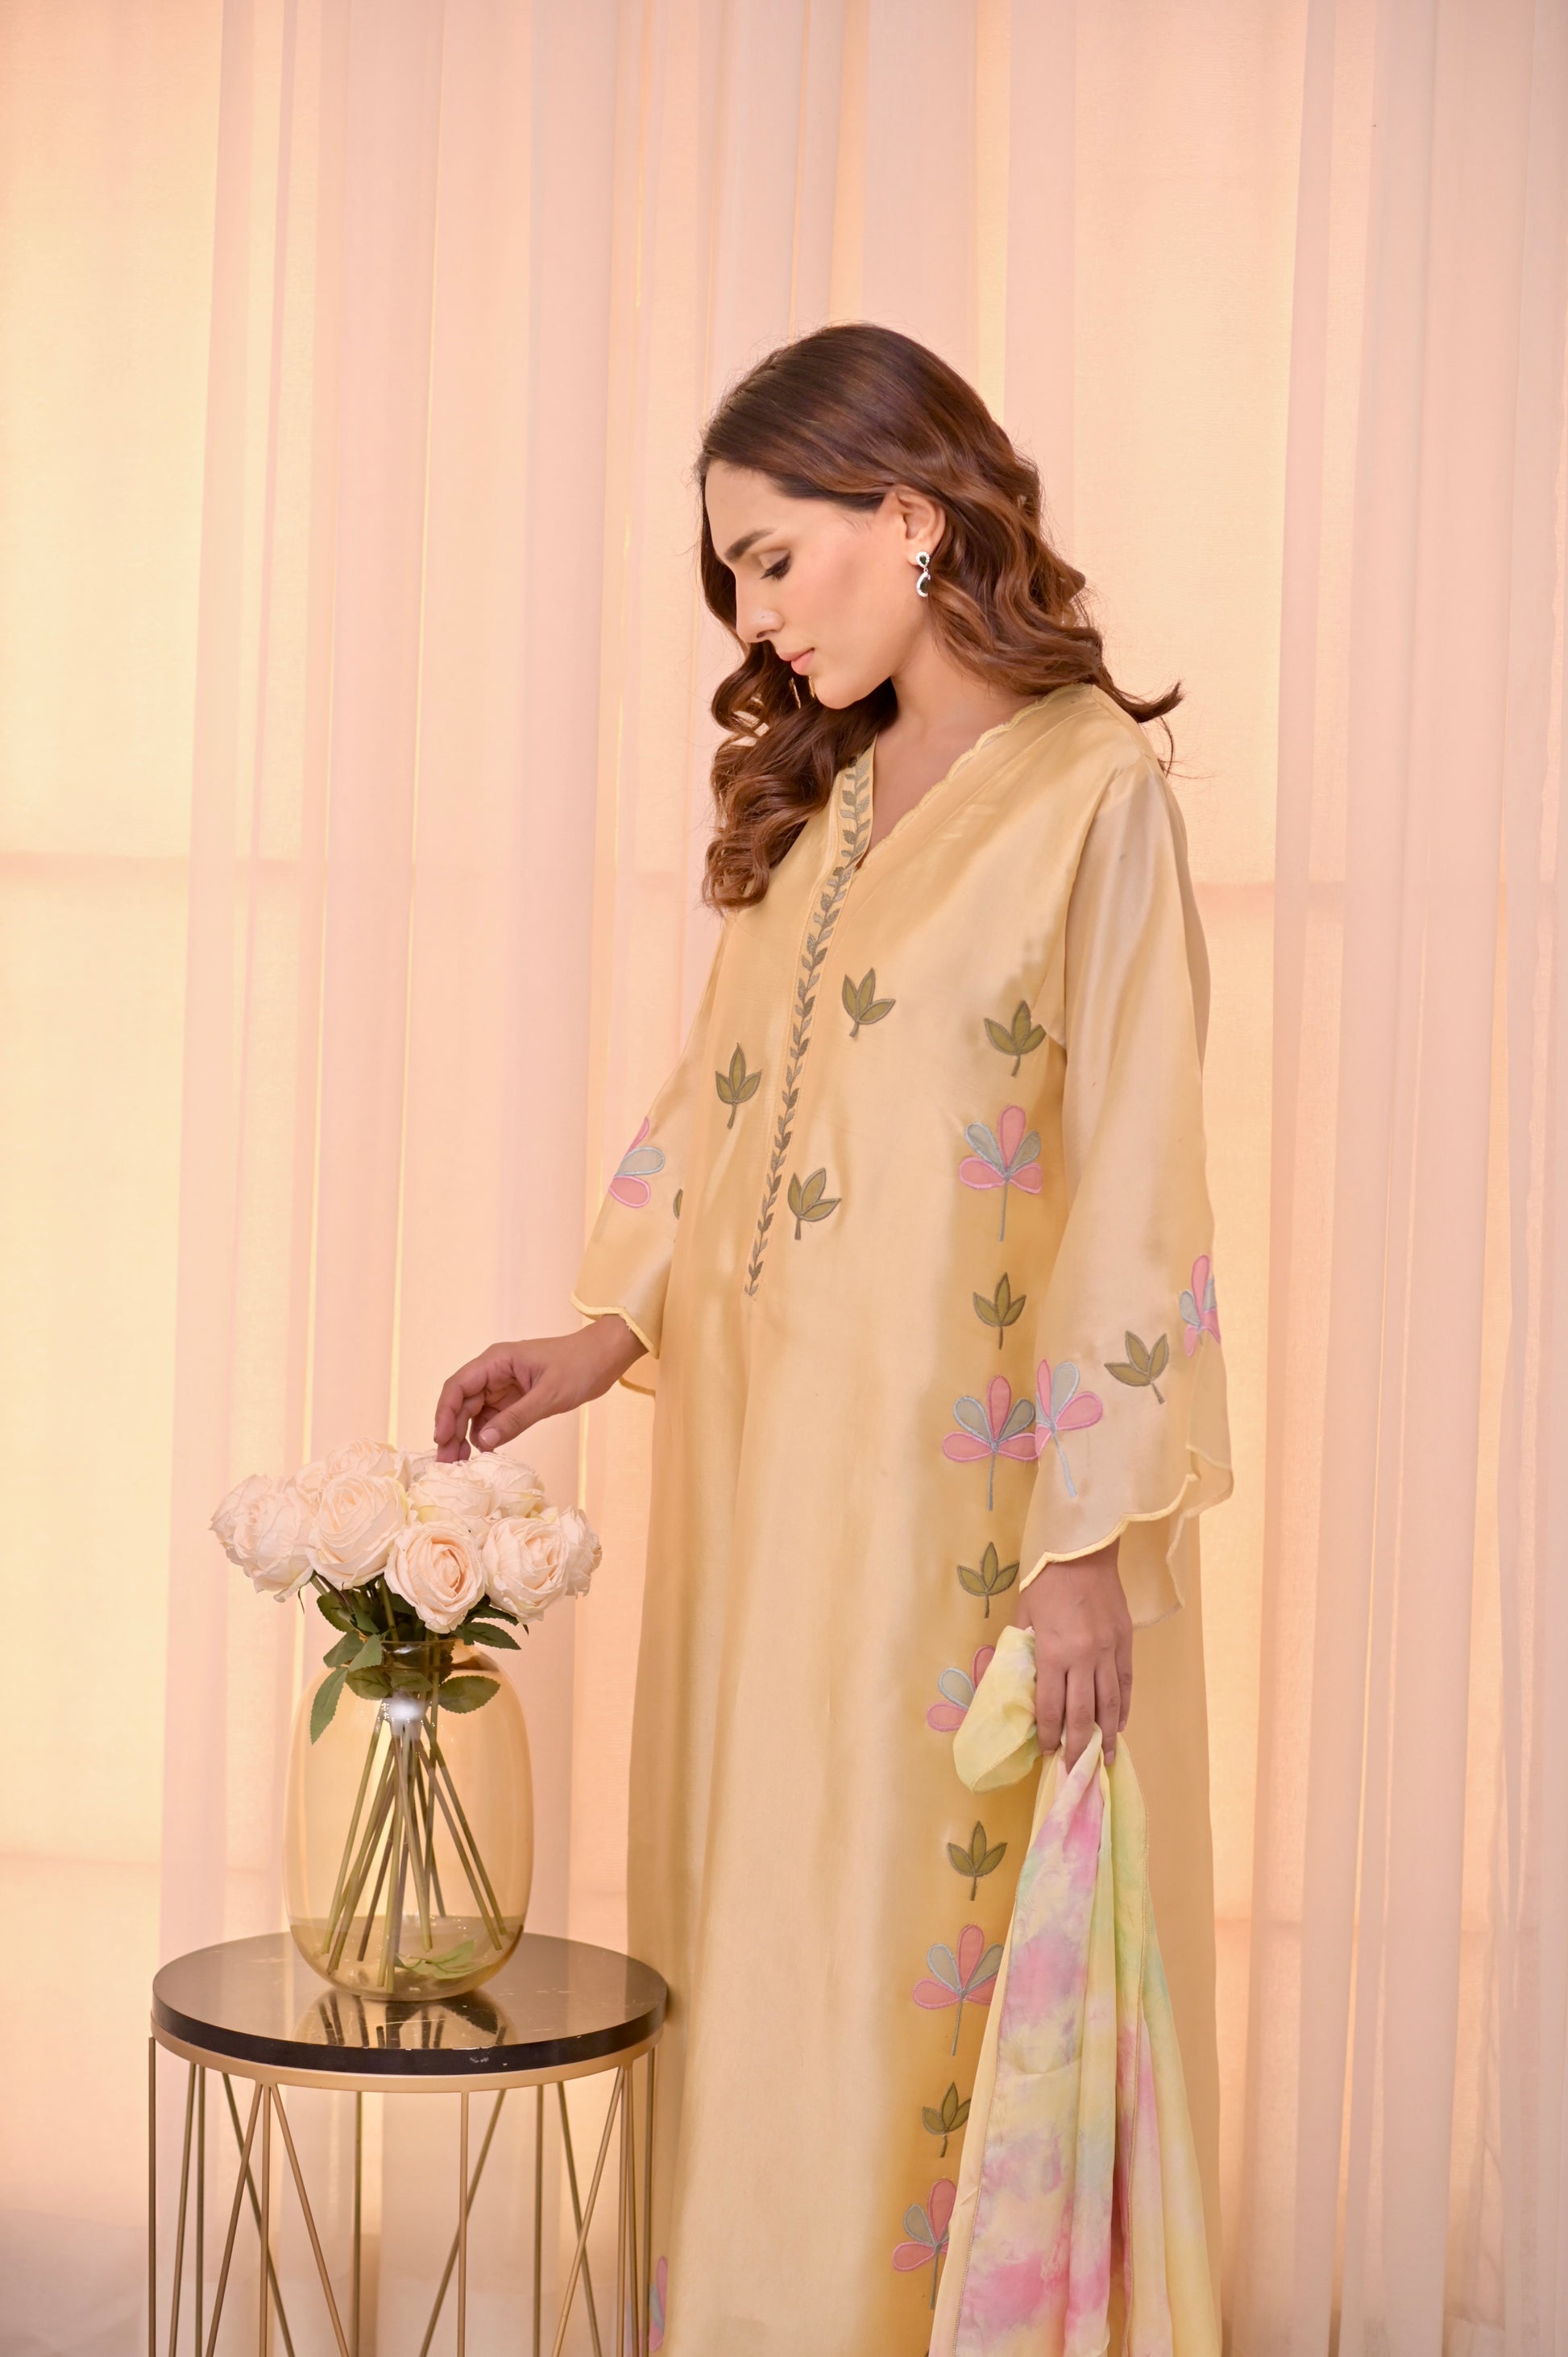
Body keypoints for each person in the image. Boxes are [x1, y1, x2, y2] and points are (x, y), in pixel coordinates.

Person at [433, 321, 1233, 2353]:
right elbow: (725, 1101)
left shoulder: (1088, 794)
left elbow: (1136, 1176)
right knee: (755, 1934)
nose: (754, 620)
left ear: (912, 511)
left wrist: (1080, 1542)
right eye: (732, 580)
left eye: (774, 559)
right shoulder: (827, 801)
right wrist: (599, 1330)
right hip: (752, 1495)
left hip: (949, 1522)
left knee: (902, 1947)